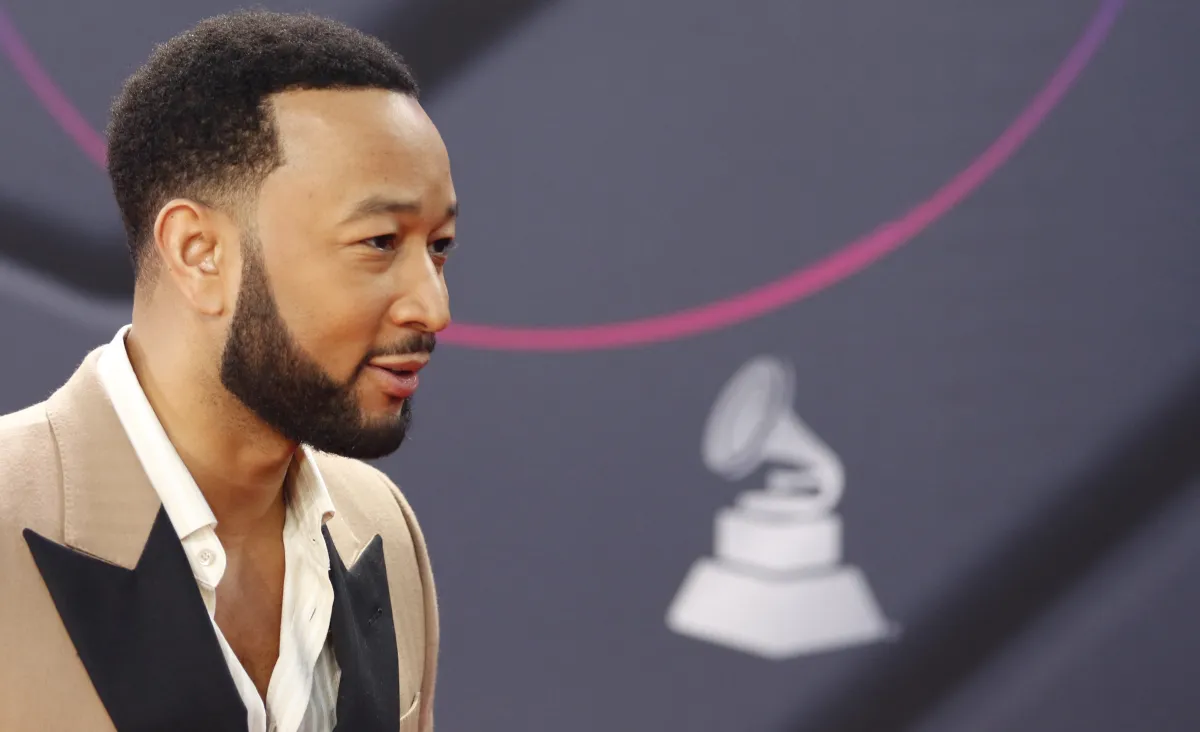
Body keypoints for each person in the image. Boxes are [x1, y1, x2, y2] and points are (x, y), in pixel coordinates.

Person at [0, 10, 455, 732]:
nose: (433, 307)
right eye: (377, 242)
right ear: (198, 251)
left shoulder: (381, 527)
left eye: (439, 248)